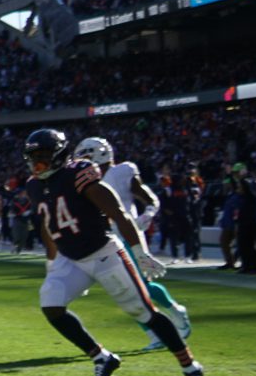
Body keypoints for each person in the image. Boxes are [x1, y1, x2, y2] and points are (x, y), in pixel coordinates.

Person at [23, 128, 205, 376]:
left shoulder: (79, 173)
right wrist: (52, 261)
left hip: (103, 252)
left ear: (59, 154)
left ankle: (191, 369)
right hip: (70, 258)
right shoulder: (34, 185)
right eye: (34, 156)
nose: (39, 162)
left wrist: (139, 251)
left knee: (144, 313)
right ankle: (102, 358)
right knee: (51, 304)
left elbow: (118, 212)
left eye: (44, 155)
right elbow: (48, 225)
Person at [74, 137, 190, 352]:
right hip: (107, 239)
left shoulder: (122, 171)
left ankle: (175, 310)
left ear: (100, 153)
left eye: (88, 156)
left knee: (141, 286)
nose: (84, 161)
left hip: (129, 235)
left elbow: (150, 198)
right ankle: (154, 335)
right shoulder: (85, 180)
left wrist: (149, 213)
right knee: (122, 290)